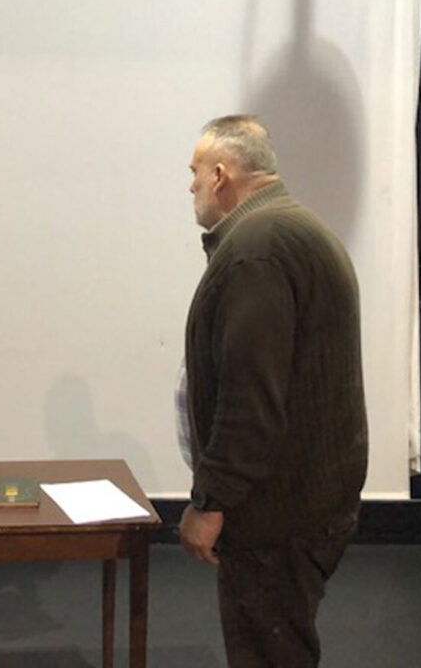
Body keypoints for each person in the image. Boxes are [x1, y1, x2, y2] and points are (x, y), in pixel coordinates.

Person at [180, 115, 368, 667]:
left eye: (194, 172)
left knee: (268, 651)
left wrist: (210, 501)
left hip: (276, 512)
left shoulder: (257, 250)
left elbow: (251, 398)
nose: (190, 186)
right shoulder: (286, 231)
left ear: (221, 175)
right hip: (299, 501)